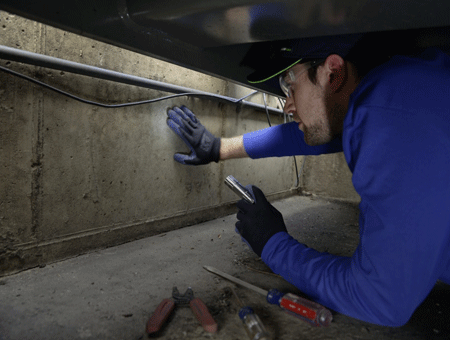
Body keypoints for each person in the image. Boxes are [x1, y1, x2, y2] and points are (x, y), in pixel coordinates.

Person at [166, 36, 450, 326]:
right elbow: (311, 134)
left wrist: (272, 244)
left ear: (333, 72)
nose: (287, 105)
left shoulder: (392, 122)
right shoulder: (400, 89)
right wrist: (219, 148)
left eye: (290, 85)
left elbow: (379, 299)